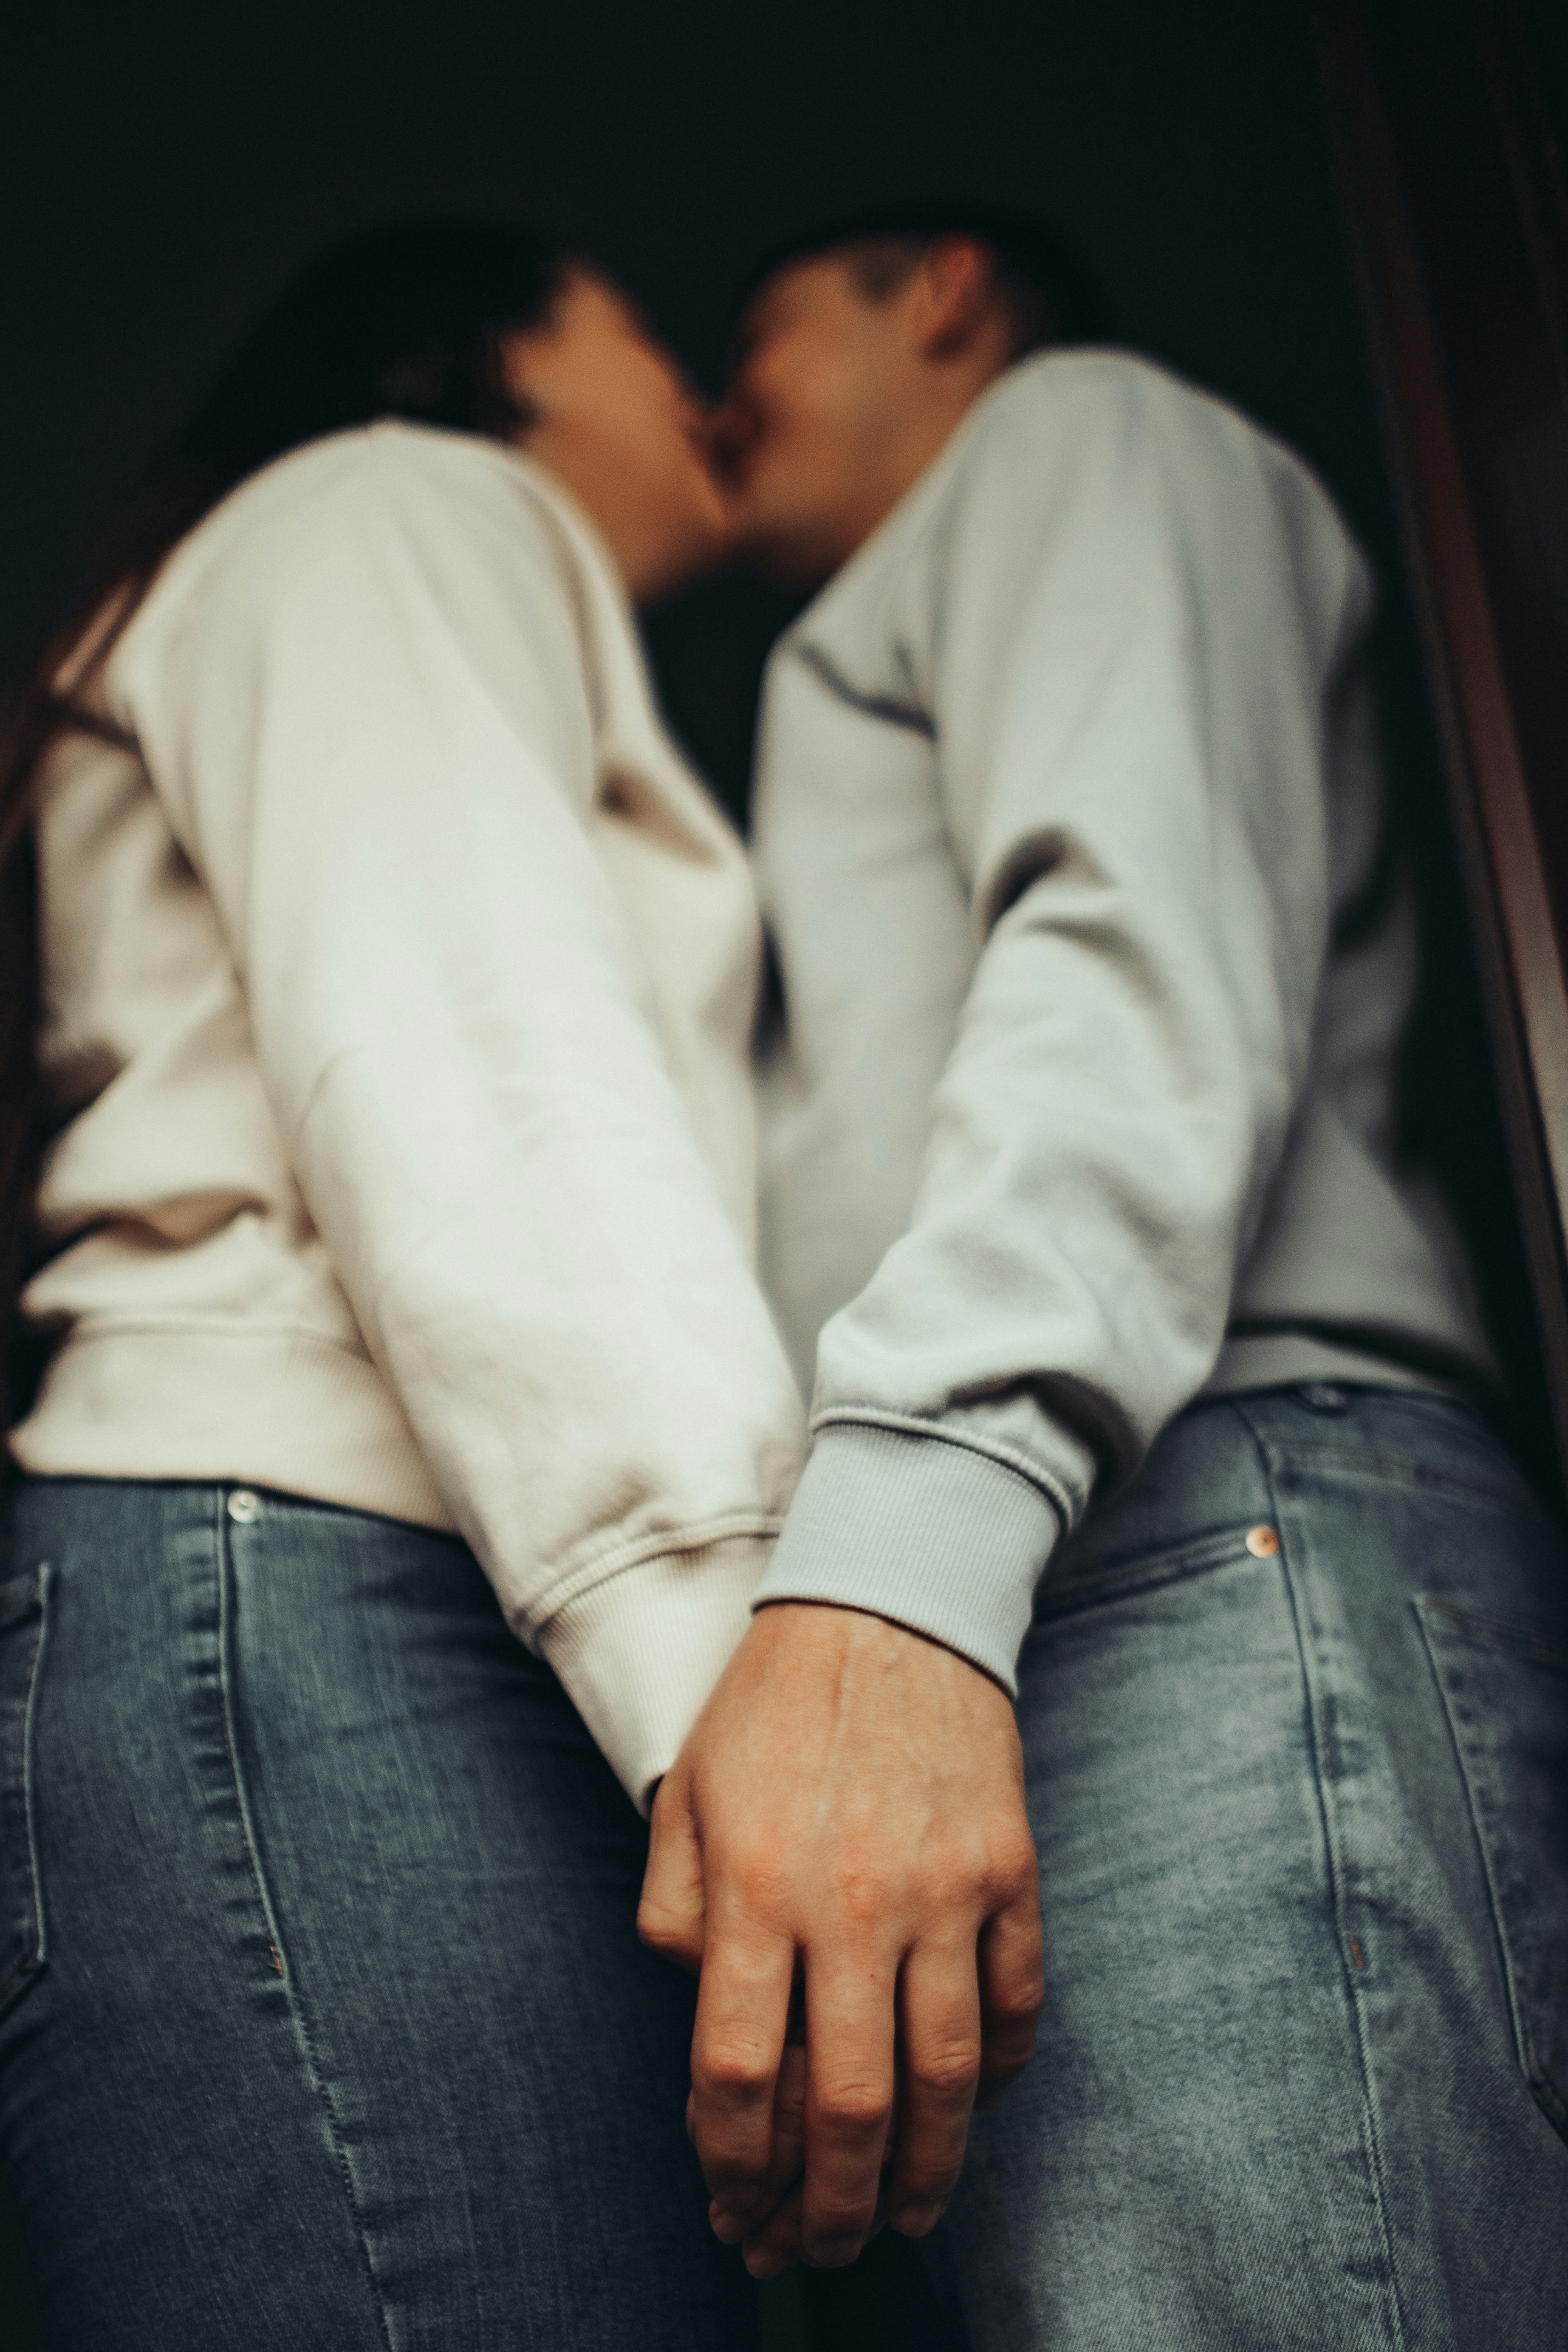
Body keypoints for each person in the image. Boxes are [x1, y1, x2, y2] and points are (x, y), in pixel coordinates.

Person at [639, 204, 1568, 2343]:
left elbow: (1131, 955)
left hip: (1192, 1519)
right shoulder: (924, 592)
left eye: (757, 318)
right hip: (1112, 1550)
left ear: (938, 290)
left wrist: (891, 1557)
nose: (713, 394)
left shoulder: (1073, 436)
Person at [0, 216, 805, 2349]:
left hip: (328, 1618)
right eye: (647, 322)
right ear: (502, 350)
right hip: (325, 1603)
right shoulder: (397, 500)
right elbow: (480, 1064)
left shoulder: (362, 552)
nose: (700, 375)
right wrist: (749, 1710)